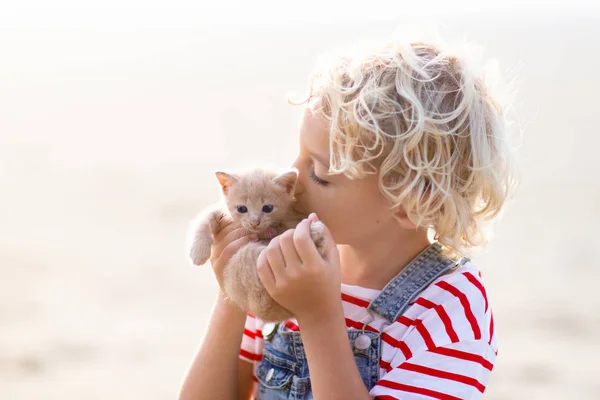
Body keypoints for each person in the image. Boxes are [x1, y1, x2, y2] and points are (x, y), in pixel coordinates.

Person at [179, 33, 517, 400]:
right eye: (298, 155)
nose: (292, 177)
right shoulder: (284, 259)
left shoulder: (449, 312)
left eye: (320, 174)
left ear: (410, 201)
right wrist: (233, 290)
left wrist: (319, 316)